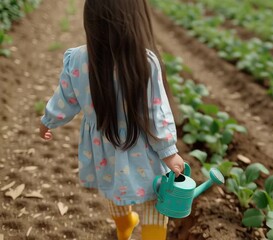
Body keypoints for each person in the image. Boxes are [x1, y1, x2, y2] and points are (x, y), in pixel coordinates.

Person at [38, 0, 185, 239]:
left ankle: (125, 225)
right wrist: (168, 151)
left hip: (103, 149)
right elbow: (156, 113)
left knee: (114, 194)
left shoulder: (77, 59)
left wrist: (48, 121)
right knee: (155, 207)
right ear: (135, 20)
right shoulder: (145, 62)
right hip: (144, 150)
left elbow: (65, 99)